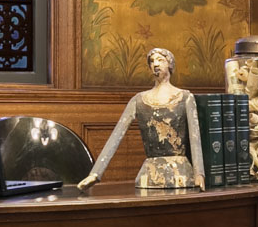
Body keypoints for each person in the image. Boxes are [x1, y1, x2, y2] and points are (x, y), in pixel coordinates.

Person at [77, 47, 206, 190]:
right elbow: (116, 136)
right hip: (149, 176)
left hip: (181, 175)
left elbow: (195, 138)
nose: (155, 64)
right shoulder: (139, 100)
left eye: (160, 60)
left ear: (169, 64)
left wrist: (199, 174)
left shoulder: (185, 97)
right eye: (152, 61)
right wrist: (95, 175)